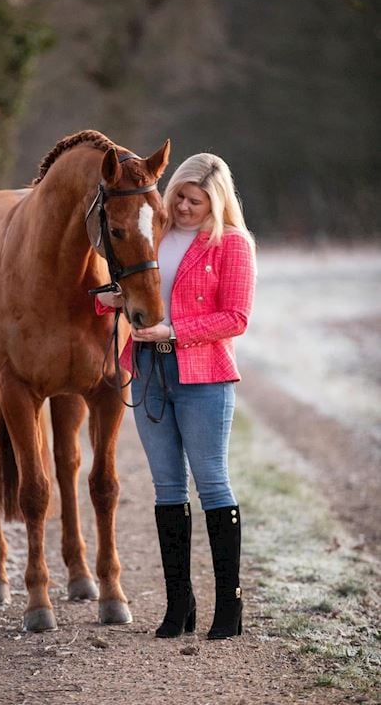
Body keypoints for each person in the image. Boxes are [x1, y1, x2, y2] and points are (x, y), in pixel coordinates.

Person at [96, 152, 256, 640]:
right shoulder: (156, 232)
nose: (184, 207)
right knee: (166, 487)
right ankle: (178, 606)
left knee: (211, 482)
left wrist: (174, 329)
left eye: (195, 199)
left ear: (216, 200)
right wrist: (117, 301)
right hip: (147, 370)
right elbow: (146, 289)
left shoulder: (232, 244)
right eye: (179, 196)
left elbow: (236, 318)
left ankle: (228, 607)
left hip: (203, 375)